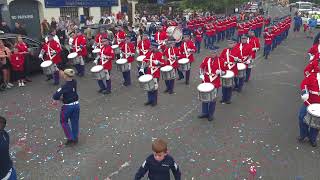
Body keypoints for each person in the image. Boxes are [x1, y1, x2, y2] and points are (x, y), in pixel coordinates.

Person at [52, 69, 80, 146]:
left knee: (63, 121)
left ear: (65, 76)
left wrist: (57, 100)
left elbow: (55, 95)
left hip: (68, 107)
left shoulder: (64, 86)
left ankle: (70, 138)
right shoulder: (74, 82)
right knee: (75, 121)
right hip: (76, 105)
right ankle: (75, 137)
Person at [199, 46, 224, 121]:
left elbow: (225, 71)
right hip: (206, 81)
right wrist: (201, 75)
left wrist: (221, 72)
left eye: (214, 52)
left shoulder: (221, 60)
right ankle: (204, 113)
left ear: (216, 53)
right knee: (204, 98)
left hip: (215, 82)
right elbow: (201, 67)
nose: (212, 54)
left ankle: (211, 114)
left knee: (213, 99)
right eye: (211, 52)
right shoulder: (206, 59)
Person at [298, 72, 320, 147]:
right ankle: (303, 134)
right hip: (308, 102)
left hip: (319, 106)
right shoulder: (312, 75)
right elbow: (303, 84)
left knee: (316, 124)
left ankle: (312, 138)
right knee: (302, 117)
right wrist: (304, 92)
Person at [140, 42, 164, 106]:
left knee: (154, 88)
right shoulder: (149, 53)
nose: (151, 48)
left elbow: (163, 64)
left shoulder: (160, 54)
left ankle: (154, 101)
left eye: (152, 47)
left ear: (156, 48)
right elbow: (145, 60)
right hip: (149, 72)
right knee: (148, 87)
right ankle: (150, 100)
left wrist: (158, 63)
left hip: (156, 72)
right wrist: (142, 67)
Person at [219, 37, 238, 104]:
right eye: (229, 43)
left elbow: (241, 60)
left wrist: (237, 60)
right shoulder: (225, 50)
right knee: (224, 85)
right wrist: (223, 62)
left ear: (234, 44)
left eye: (231, 43)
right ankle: (223, 98)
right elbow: (220, 58)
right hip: (225, 70)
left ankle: (228, 99)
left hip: (232, 70)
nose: (230, 44)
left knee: (229, 86)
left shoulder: (237, 50)